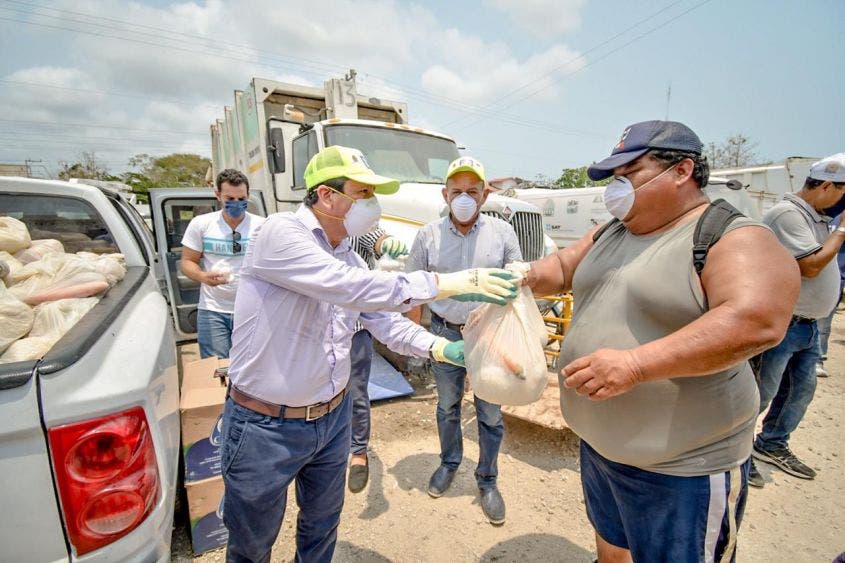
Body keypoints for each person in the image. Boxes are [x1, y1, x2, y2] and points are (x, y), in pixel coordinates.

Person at [220, 145, 519, 563]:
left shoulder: (351, 256)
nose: (372, 204)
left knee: (322, 527)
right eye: (363, 193)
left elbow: (382, 319)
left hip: (331, 420)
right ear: (327, 196)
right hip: (266, 426)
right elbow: (349, 288)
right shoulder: (280, 233)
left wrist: (440, 347)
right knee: (252, 544)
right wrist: (447, 283)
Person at [516, 120, 799, 562]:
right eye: (615, 177)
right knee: (612, 549)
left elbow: (756, 320)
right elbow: (563, 268)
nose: (617, 186)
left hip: (683, 468)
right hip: (602, 450)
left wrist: (636, 364)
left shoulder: (729, 235)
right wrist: (519, 278)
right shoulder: (614, 229)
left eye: (630, 173)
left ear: (682, 170)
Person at [406, 156, 523, 525]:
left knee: (490, 412)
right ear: (445, 194)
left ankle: (487, 480)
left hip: (488, 335)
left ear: (484, 196)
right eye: (457, 191)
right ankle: (448, 463)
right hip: (444, 332)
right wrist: (416, 342)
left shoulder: (503, 233)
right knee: (447, 407)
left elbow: (518, 283)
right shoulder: (428, 235)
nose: (464, 198)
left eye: (472, 191)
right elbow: (411, 291)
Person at [748, 153, 845, 488]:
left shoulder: (815, 218)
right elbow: (811, 265)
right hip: (784, 323)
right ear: (829, 185)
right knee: (759, 393)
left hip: (808, 325)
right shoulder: (788, 215)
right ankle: (738, 453)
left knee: (799, 390)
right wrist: (842, 229)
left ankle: (772, 444)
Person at [347, 227, 409, 493]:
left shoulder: (355, 224)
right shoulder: (305, 233)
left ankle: (358, 453)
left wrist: (387, 243)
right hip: (316, 332)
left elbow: (375, 237)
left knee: (356, 394)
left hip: (356, 328)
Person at [181, 168, 264, 359]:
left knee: (252, 367)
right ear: (218, 195)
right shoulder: (201, 224)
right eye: (230, 199)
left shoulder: (262, 226)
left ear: (248, 196)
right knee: (217, 368)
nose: (236, 204)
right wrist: (203, 277)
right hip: (213, 310)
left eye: (241, 199)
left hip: (252, 310)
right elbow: (187, 262)